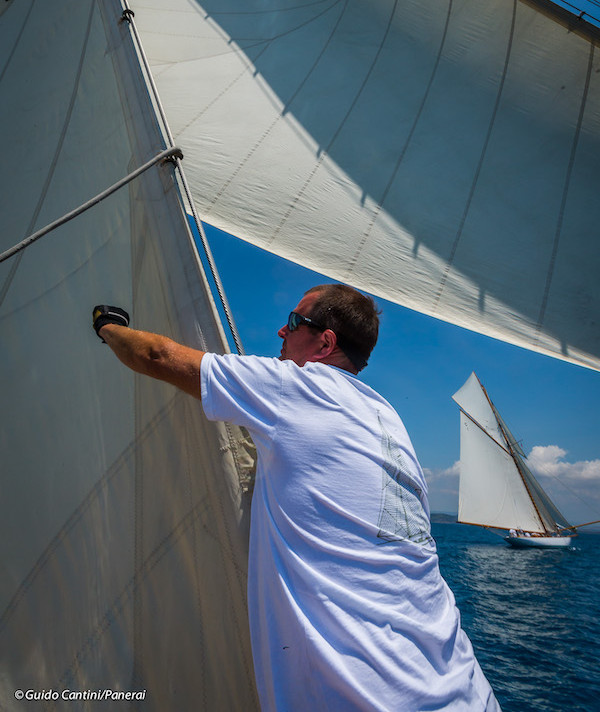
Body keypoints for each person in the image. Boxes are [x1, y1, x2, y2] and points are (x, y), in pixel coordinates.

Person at [93, 284, 501, 711]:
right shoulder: (388, 419)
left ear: (325, 343)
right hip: (468, 691)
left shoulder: (296, 388)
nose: (281, 332)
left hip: (369, 699)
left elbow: (156, 356)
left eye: (294, 322)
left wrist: (107, 326)